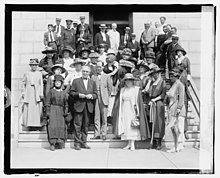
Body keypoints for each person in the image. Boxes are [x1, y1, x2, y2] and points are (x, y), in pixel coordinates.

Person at [118, 73, 150, 151]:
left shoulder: (136, 89)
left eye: (130, 81)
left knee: (132, 125)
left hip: (132, 108)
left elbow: (138, 101)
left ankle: (132, 143)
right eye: (126, 81)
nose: (128, 82)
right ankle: (128, 143)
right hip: (124, 108)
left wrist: (137, 112)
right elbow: (120, 100)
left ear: (132, 81)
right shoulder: (123, 89)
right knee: (126, 125)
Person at [69, 65, 98, 150]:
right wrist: (78, 95)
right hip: (79, 105)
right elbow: (71, 93)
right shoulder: (76, 81)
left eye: (87, 71)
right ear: (82, 72)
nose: (85, 73)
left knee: (86, 125)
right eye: (84, 71)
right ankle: (77, 143)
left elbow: (96, 94)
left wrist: (91, 96)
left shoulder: (92, 82)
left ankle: (83, 142)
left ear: (89, 73)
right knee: (77, 124)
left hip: (88, 106)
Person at [45, 74, 68, 151]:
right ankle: (52, 144)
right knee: (52, 126)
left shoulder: (64, 93)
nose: (57, 83)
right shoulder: (51, 91)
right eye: (56, 82)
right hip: (52, 110)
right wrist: (48, 113)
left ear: (61, 83)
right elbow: (47, 103)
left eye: (59, 82)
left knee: (60, 126)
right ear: (54, 83)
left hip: (61, 111)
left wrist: (65, 112)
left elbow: (66, 104)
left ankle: (59, 142)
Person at [165, 68, 186, 153]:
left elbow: (181, 98)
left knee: (178, 128)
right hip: (172, 108)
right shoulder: (174, 85)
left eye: (173, 76)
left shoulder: (180, 85)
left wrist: (179, 108)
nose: (171, 77)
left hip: (178, 109)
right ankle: (176, 145)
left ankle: (178, 146)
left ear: (177, 76)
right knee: (174, 128)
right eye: (170, 76)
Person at [146, 64, 166, 150]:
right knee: (152, 121)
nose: (155, 75)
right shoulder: (152, 82)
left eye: (156, 73)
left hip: (158, 103)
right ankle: (153, 140)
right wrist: (149, 81)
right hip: (151, 103)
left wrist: (155, 99)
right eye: (153, 74)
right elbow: (147, 91)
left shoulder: (162, 82)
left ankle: (159, 141)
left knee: (158, 122)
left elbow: (163, 94)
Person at [91, 61, 112, 140]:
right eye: (97, 67)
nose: (99, 68)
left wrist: (106, 96)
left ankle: (104, 134)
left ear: (103, 67)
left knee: (104, 117)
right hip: (96, 97)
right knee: (96, 116)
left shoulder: (107, 76)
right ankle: (97, 134)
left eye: (100, 67)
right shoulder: (93, 76)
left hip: (104, 98)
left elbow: (110, 89)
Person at [21, 58, 44, 128]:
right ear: (30, 66)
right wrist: (23, 92)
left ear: (37, 66)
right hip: (29, 91)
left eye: (35, 65)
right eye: (32, 65)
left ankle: (36, 124)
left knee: (36, 108)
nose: (34, 66)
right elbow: (23, 83)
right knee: (29, 108)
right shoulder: (27, 73)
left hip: (36, 92)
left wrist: (41, 93)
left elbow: (41, 84)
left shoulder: (39, 73)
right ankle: (29, 124)